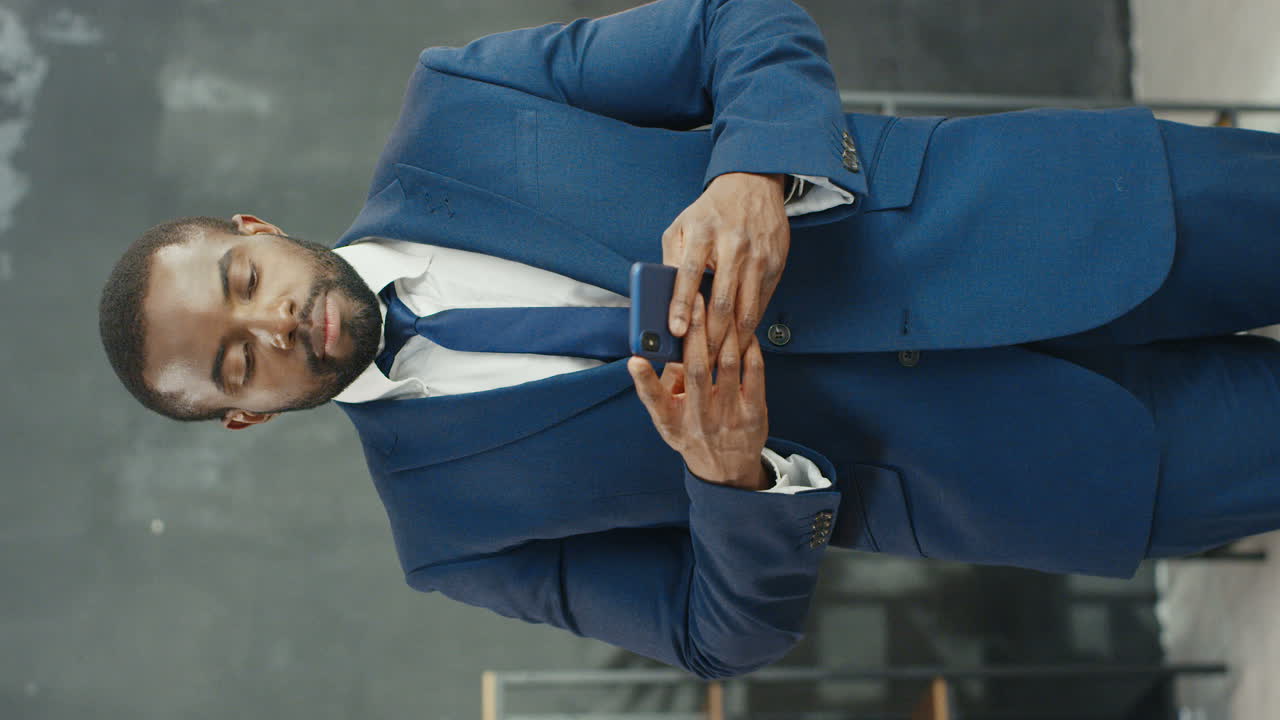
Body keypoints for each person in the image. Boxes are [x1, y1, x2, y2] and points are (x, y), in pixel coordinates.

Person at [98, 0, 1280, 679]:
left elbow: (739, 26)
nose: (272, 321)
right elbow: (717, 637)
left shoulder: (455, 103)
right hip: (1064, 468)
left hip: (1063, 213)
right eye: (237, 359)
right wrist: (733, 483)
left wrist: (751, 170)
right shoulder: (448, 539)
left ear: (254, 227)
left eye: (243, 279)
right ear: (241, 414)